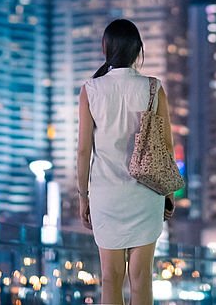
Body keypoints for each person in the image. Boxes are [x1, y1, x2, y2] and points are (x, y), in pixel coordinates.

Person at [77, 18, 176, 305]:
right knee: (142, 277)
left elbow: (84, 150)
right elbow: (165, 148)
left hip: (106, 196)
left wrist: (83, 197)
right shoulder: (153, 88)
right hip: (145, 194)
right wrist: (168, 192)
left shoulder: (91, 89)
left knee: (110, 277)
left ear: (105, 48)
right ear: (138, 50)